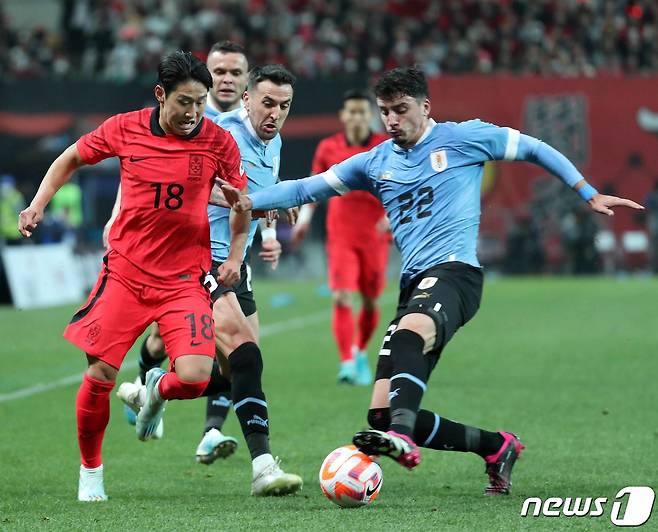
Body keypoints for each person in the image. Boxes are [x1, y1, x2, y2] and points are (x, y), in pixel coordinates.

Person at [219, 67, 643, 495]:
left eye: (401, 110)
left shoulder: (464, 138)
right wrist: (249, 200)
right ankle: (496, 447)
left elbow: (532, 147)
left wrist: (587, 191)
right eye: (385, 112)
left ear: (425, 107)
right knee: (382, 415)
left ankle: (402, 439)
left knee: (409, 338)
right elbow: (305, 189)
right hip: (414, 286)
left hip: (456, 274)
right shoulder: (375, 161)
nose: (392, 121)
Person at [18, 50, 247, 501]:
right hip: (126, 273)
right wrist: (38, 204)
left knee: (197, 377)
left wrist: (237, 250)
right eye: (184, 101)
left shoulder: (218, 141)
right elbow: (71, 158)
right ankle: (91, 473)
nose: (193, 112)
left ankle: (154, 390)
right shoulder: (124, 127)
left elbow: (241, 201)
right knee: (101, 373)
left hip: (185, 278)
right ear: (161, 95)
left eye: (201, 102)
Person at [119, 64, 303, 497]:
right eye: (267, 103)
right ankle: (261, 467)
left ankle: (153, 389)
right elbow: (200, 186)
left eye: (284, 106)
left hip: (232, 263)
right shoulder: (219, 134)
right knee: (243, 352)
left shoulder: (271, 141)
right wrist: (262, 203)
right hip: (198, 258)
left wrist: (269, 224)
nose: (274, 113)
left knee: (228, 368)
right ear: (246, 99)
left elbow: (259, 192)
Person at [109, 41, 255, 459]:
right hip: (180, 256)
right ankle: (148, 384)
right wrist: (116, 213)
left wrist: (272, 217)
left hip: (228, 257)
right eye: (219, 71)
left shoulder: (258, 125)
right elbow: (145, 175)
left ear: (246, 83)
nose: (226, 79)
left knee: (240, 354)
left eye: (234, 73)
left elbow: (249, 192)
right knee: (170, 344)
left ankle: (210, 432)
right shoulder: (182, 119)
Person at [292, 90, 389, 385]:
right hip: (341, 233)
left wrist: (391, 216)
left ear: (370, 116)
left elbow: (400, 184)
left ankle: (359, 350)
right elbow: (313, 189)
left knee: (370, 301)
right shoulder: (328, 148)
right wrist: (304, 221)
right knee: (341, 296)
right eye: (353, 112)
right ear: (344, 116)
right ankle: (346, 361)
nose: (357, 117)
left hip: (374, 234)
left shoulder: (385, 146)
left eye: (363, 112)